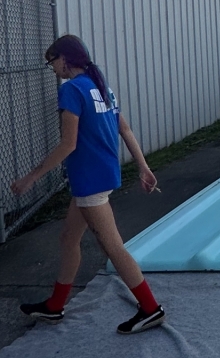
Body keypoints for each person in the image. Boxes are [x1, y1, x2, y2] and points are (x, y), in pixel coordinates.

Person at [10, 35, 165, 335]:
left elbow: (68, 144)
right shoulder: (100, 85)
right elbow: (125, 129)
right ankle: (55, 306)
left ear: (64, 59)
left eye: (52, 62)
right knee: (69, 238)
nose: (53, 69)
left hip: (90, 182)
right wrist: (143, 166)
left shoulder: (71, 90)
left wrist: (31, 177)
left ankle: (150, 309)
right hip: (98, 178)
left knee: (112, 247)